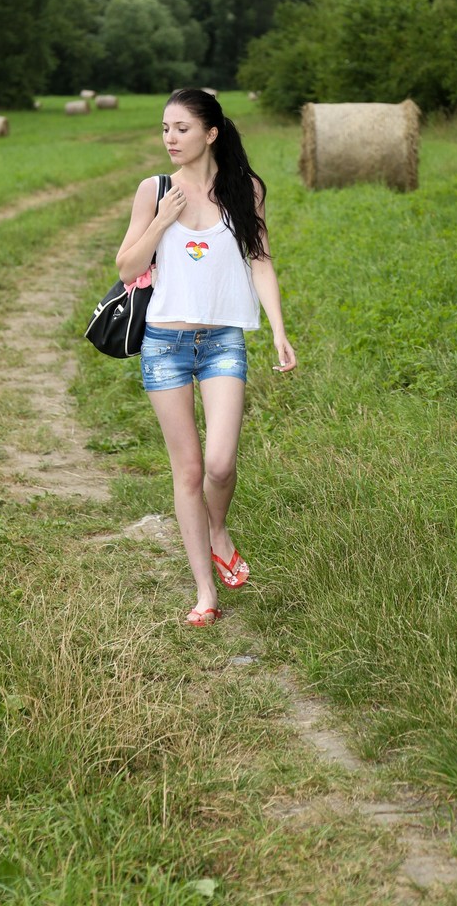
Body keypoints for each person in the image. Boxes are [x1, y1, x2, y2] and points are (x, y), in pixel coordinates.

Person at [116, 89, 296, 627]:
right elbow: (128, 268)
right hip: (165, 346)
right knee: (189, 471)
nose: (170, 138)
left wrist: (279, 332)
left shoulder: (246, 189)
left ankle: (219, 529)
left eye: (182, 128)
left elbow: (260, 260)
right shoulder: (155, 190)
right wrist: (160, 220)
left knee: (221, 463)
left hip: (222, 341)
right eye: (165, 128)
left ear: (211, 133)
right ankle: (204, 592)